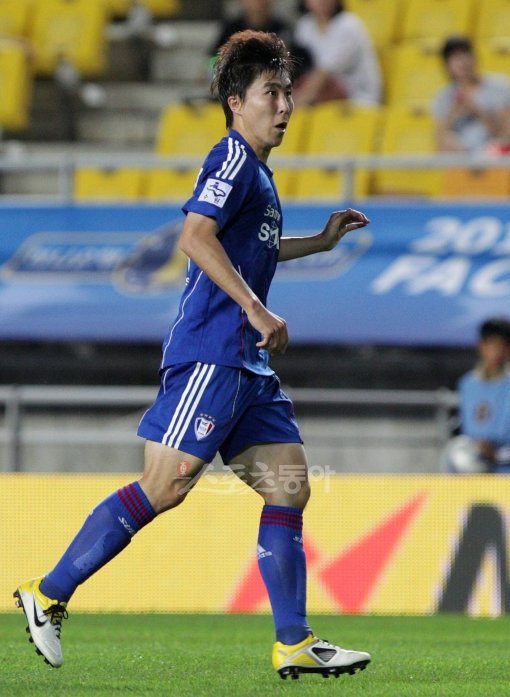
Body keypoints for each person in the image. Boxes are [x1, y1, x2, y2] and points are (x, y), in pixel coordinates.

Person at [14, 30, 372, 680]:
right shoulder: (231, 158)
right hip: (213, 352)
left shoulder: (258, 173)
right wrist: (256, 308)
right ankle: (48, 592)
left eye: (288, 92)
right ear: (237, 102)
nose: (285, 105)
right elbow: (195, 236)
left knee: (289, 484)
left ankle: (293, 641)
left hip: (246, 364)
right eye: (271, 92)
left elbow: (252, 248)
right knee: (167, 484)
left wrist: (318, 244)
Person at [292, 0, 382, 107]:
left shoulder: (348, 24)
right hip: (325, 101)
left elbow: (324, 75)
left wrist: (296, 104)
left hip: (360, 101)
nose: (322, 1)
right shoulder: (305, 26)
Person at [433, 36, 510, 154]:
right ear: (447, 65)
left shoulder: (499, 87)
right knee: (448, 140)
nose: (462, 62)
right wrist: (454, 112)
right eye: (455, 58)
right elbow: (439, 143)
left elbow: (504, 135)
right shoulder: (443, 97)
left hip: (493, 153)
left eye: (466, 54)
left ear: (475, 57)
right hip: (460, 156)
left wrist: (477, 111)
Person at [455, 317, 510, 472]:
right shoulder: (467, 384)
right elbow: (463, 432)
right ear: (481, 346)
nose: (497, 352)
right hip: (473, 472)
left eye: (502, 346)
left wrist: (496, 455)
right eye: (492, 344)